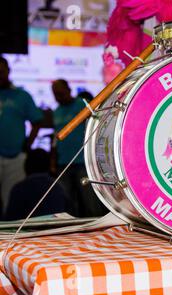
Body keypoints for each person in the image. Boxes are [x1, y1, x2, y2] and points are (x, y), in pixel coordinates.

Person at [0, 56, 51, 217]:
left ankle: (8, 235)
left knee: (11, 197)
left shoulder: (21, 95)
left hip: (15, 157)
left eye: (2, 71)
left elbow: (37, 121)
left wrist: (27, 144)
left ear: (8, 71)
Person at [51, 79, 105, 217]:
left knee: (90, 202)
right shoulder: (56, 111)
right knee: (67, 205)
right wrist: (53, 161)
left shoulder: (82, 105)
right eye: (56, 94)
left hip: (83, 162)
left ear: (69, 90)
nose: (59, 97)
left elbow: (97, 127)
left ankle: (97, 232)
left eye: (61, 93)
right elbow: (55, 139)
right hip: (63, 164)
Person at [5, 149, 69, 220]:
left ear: (26, 165)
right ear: (48, 165)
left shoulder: (18, 189)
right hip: (56, 229)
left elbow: (9, 219)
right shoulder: (59, 187)